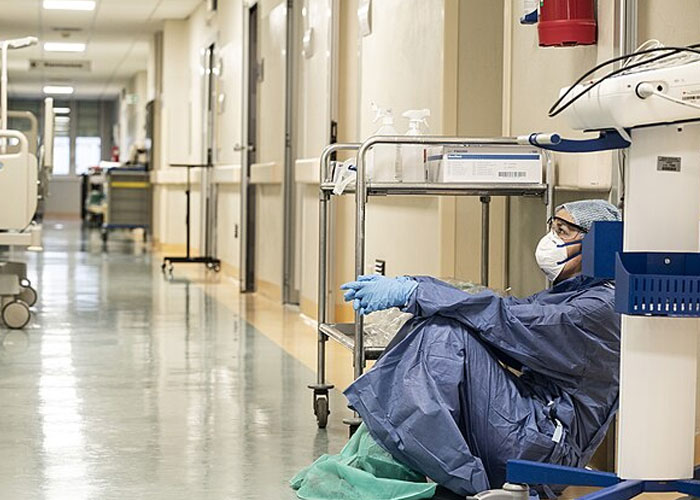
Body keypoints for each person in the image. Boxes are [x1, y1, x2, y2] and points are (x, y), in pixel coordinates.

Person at [340, 199, 622, 497]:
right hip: (527, 428)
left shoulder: (597, 308)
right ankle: (390, 459)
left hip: (544, 449)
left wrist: (417, 291)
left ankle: (458, 480)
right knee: (442, 323)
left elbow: (505, 319)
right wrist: (414, 286)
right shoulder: (572, 293)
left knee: (444, 335)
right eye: (553, 227)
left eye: (563, 231)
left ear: (596, 244)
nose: (551, 238)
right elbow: (501, 315)